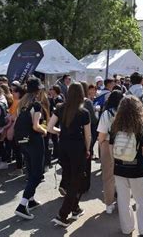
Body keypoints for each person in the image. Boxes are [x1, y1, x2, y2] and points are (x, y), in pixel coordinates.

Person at [110, 95, 143, 236]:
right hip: (137, 168)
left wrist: (115, 163)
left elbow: (112, 147)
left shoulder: (115, 125)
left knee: (123, 201)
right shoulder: (140, 126)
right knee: (142, 199)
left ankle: (127, 228)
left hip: (119, 168)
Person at [47, 83, 91, 227]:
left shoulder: (60, 108)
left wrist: (60, 132)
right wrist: (88, 149)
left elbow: (49, 127)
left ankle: (75, 208)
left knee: (72, 177)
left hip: (63, 146)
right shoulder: (84, 112)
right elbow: (88, 135)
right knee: (76, 180)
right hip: (77, 148)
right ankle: (63, 214)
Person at [14, 78, 48, 220]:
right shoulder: (36, 105)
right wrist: (44, 131)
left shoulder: (21, 104)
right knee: (37, 174)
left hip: (23, 141)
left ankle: (31, 199)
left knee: (30, 169)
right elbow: (36, 126)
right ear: (38, 90)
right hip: (34, 141)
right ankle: (22, 204)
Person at [97, 90, 124, 214]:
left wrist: (101, 143)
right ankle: (123, 201)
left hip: (108, 144)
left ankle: (109, 204)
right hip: (124, 145)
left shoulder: (107, 114)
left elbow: (102, 134)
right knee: (122, 175)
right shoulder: (126, 113)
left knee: (108, 176)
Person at [8, 84, 26, 177]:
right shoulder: (15, 101)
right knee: (17, 149)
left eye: (15, 91)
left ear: (20, 93)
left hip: (16, 128)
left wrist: (11, 128)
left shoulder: (19, 102)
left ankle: (19, 168)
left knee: (18, 149)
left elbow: (16, 117)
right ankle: (20, 167)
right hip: (13, 127)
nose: (12, 93)